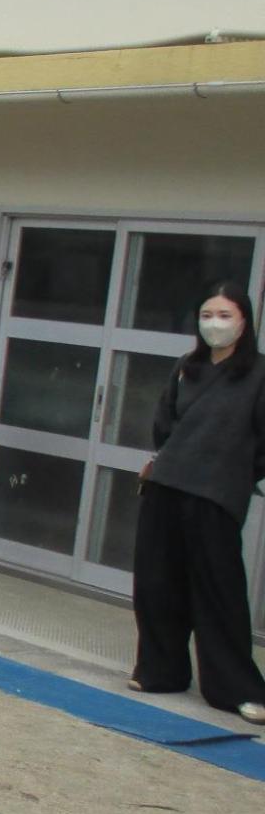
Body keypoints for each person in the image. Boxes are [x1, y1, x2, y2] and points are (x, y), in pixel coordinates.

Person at [130, 282, 265, 724]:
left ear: (244, 321)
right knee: (157, 583)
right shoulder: (187, 367)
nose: (215, 324)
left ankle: (236, 688)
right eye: (208, 314)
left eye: (225, 315)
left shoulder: (258, 374)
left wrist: (239, 473)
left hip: (216, 493)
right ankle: (159, 670)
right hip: (167, 484)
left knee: (218, 589)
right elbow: (164, 425)